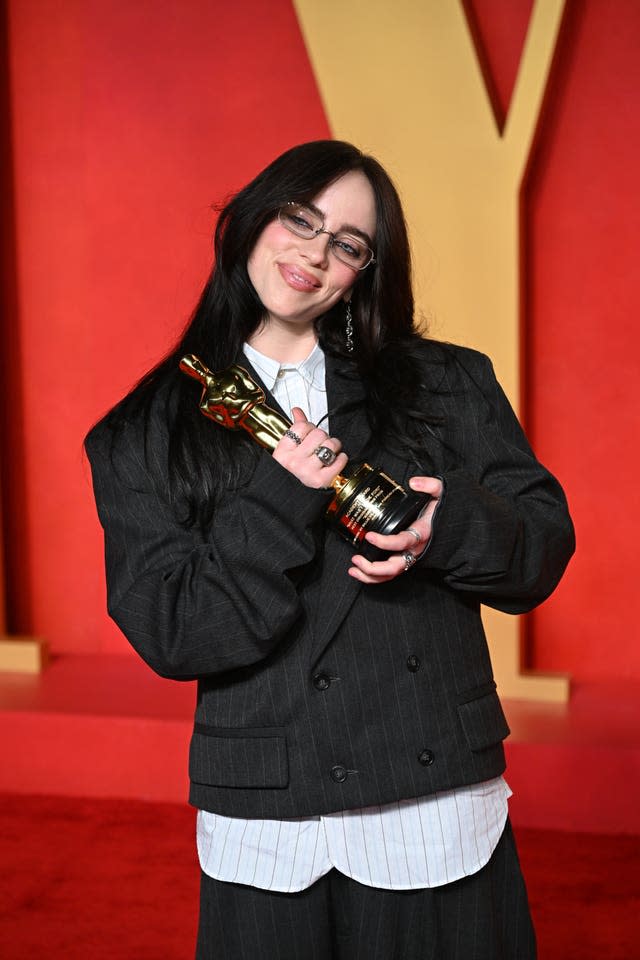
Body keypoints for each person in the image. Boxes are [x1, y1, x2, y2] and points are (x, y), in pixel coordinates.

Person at [85, 139, 574, 959]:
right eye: (299, 218)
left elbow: (542, 553)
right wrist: (283, 494)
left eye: (348, 242)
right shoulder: (143, 432)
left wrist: (440, 529)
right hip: (266, 824)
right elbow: (175, 632)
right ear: (250, 220)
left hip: (433, 804)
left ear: (365, 272)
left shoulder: (444, 384)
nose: (315, 251)